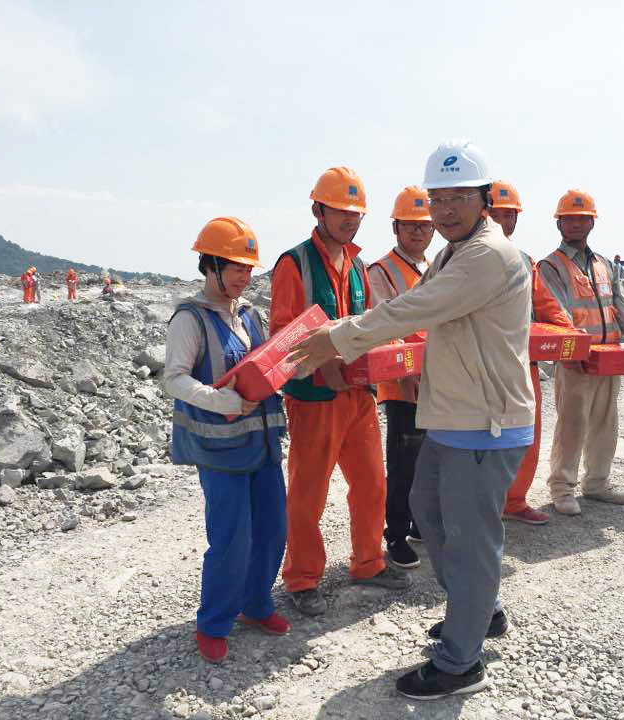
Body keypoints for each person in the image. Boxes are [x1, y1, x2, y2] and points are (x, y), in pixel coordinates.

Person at [287, 139, 535, 700]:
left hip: (486, 423)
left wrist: (337, 338)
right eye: (437, 199)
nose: (444, 210)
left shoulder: (487, 255)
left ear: (484, 199)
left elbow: (414, 309)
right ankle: (482, 610)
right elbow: (412, 312)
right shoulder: (453, 253)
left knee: (468, 539)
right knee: (428, 512)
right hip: (453, 418)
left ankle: (460, 664)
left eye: (457, 198)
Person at [270, 166, 410, 618]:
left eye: (356, 213)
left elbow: (366, 324)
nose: (351, 219)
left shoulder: (357, 266)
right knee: (308, 492)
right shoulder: (294, 264)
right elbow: (283, 333)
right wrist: (325, 364)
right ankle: (302, 578)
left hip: (358, 395)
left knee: (371, 483)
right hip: (314, 398)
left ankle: (369, 562)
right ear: (318, 210)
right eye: (341, 211)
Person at [163, 216, 289, 664]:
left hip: (262, 444)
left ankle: (256, 605)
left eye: (248, 268)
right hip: (220, 450)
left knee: (272, 530)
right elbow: (174, 379)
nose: (244, 276)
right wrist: (221, 400)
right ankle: (214, 623)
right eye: (236, 267)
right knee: (232, 539)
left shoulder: (248, 314)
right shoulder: (190, 319)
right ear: (210, 265)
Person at [538, 190, 624, 516]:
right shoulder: (551, 266)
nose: (576, 224)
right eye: (569, 219)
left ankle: (598, 482)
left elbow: (619, 303)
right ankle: (562, 488)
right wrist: (574, 349)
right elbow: (557, 311)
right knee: (571, 424)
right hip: (576, 361)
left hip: (608, 358)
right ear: (559, 224)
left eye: (582, 218)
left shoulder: (603, 264)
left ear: (592, 223)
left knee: (605, 421)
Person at [488, 179, 576, 526]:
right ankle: (485, 505)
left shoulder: (526, 261)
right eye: (496, 214)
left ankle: (514, 500)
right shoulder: (463, 258)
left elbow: (547, 304)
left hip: (525, 365)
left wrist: (568, 332)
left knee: (527, 432)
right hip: (484, 365)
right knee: (484, 437)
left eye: (509, 215)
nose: (503, 222)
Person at [368, 185, 433, 568]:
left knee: (431, 461)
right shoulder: (381, 271)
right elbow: (382, 324)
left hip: (436, 380)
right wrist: (406, 372)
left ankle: (421, 523)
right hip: (402, 383)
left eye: (424, 225)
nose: (418, 231)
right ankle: (395, 533)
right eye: (410, 224)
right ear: (395, 227)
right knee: (403, 463)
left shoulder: (435, 268)